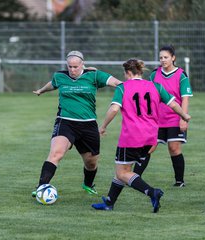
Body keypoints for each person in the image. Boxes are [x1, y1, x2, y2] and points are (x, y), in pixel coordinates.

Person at [91, 59, 191, 213]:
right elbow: (173, 104)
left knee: (122, 172)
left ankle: (152, 192)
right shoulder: (155, 86)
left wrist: (103, 126)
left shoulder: (123, 87)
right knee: (123, 168)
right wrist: (184, 115)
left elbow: (114, 109)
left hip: (131, 136)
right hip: (151, 137)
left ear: (128, 73)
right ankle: (109, 202)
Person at [31, 50, 122, 197]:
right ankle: (41, 187)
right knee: (56, 153)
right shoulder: (60, 76)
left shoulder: (94, 75)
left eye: (75, 67)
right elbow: (52, 84)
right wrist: (41, 90)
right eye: (70, 67)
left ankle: (88, 184)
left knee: (91, 163)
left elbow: (118, 83)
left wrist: (133, 87)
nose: (72, 70)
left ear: (82, 65)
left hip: (88, 124)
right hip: (65, 122)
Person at [133, 45, 193, 187]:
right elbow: (150, 96)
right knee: (148, 147)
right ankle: (134, 178)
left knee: (174, 148)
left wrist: (183, 118)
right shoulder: (155, 74)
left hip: (174, 118)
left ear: (173, 58)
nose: (163, 60)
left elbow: (185, 98)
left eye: (166, 57)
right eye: (161, 58)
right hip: (157, 119)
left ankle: (179, 181)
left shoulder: (181, 75)